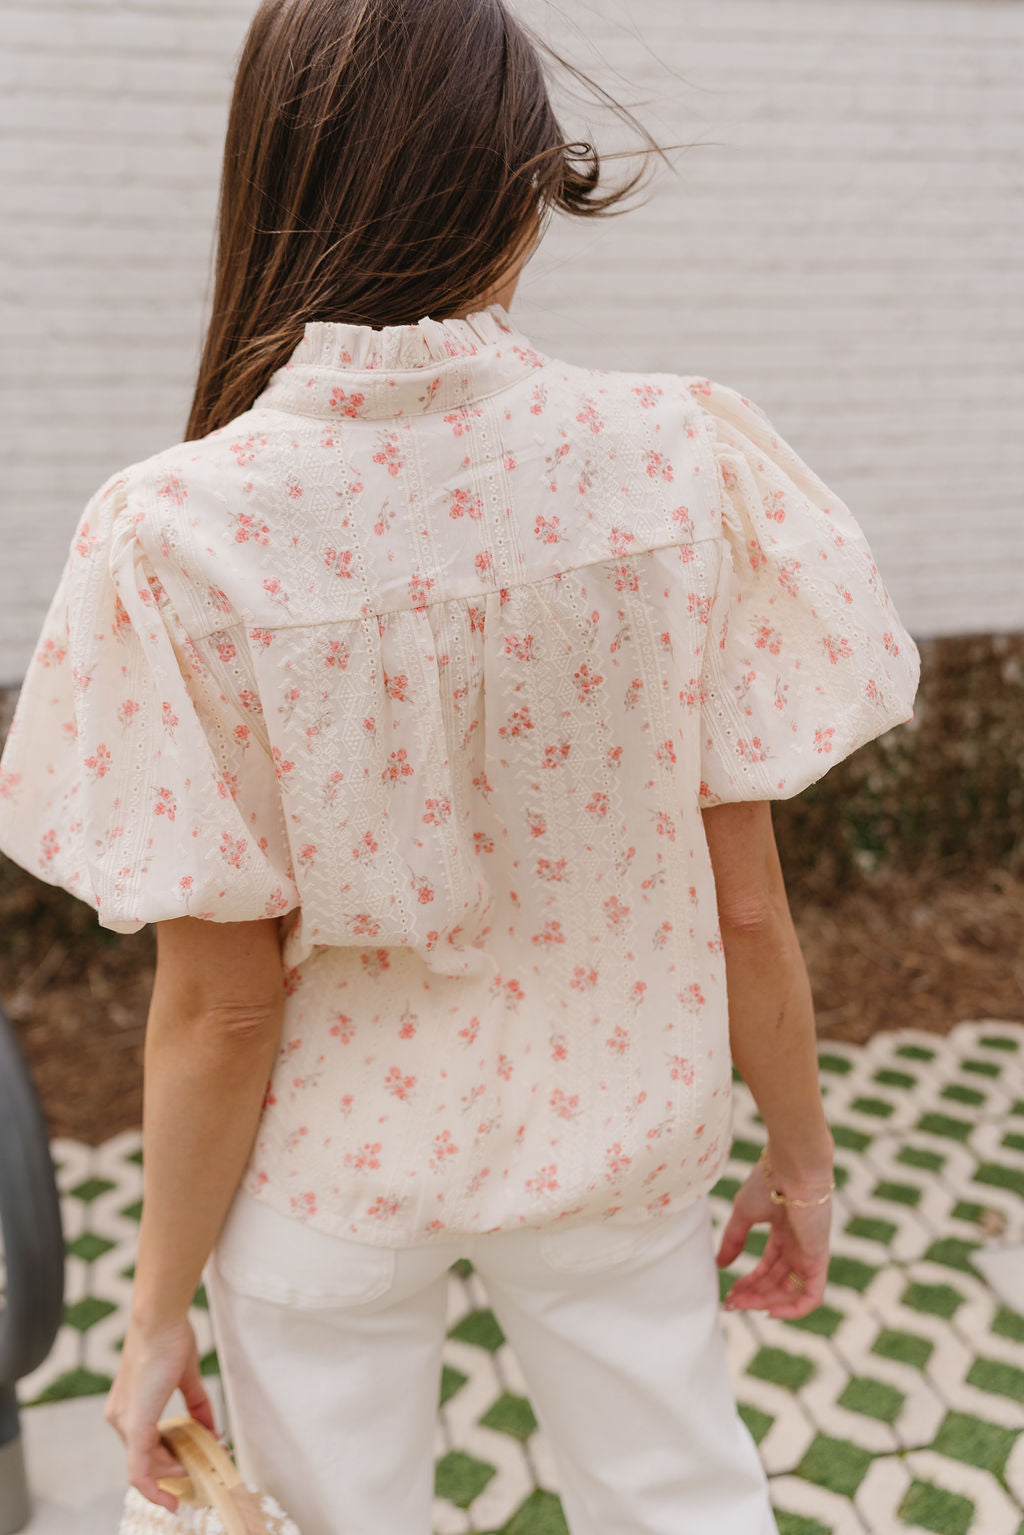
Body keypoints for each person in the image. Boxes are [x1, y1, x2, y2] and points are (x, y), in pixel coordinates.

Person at [0, 0, 920, 1530]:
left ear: (273, 179)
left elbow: (224, 1003)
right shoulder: (679, 461)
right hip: (621, 1140)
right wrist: (803, 1155)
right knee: (682, 1496)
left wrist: (155, 1313)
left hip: (332, 1177)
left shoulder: (173, 535)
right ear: (516, 188)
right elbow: (747, 909)